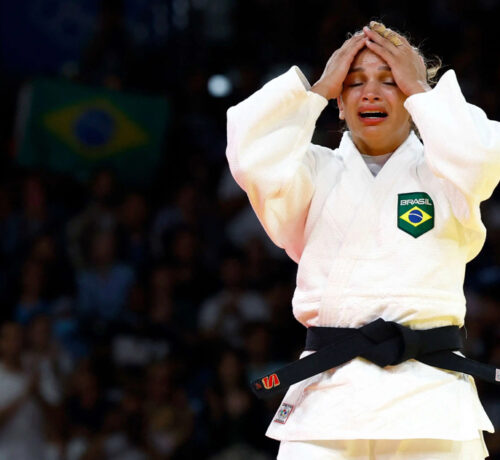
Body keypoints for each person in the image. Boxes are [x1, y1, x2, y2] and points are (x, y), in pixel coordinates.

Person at [225, 22, 500, 459]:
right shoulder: (310, 172)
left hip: (431, 403)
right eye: (354, 83)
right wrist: (315, 90)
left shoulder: (448, 174)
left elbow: (483, 159)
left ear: (415, 100)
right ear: (338, 102)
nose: (370, 93)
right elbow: (250, 159)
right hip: (327, 405)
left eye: (390, 81)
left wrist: (423, 92)